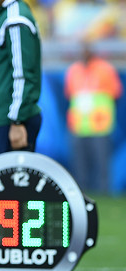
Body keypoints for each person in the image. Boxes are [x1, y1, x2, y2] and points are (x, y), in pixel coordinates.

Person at [0, 0, 42, 271]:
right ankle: (14, 269)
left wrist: (17, 120)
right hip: (6, 118)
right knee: (10, 196)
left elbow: (23, 72)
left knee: (14, 197)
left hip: (12, 120)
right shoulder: (8, 15)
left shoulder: (15, 18)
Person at [64, 41, 123, 194]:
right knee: (80, 167)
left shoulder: (105, 69)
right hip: (78, 127)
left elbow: (116, 94)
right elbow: (70, 96)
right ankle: (81, 196)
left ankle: (105, 196)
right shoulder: (74, 70)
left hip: (100, 127)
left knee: (102, 166)